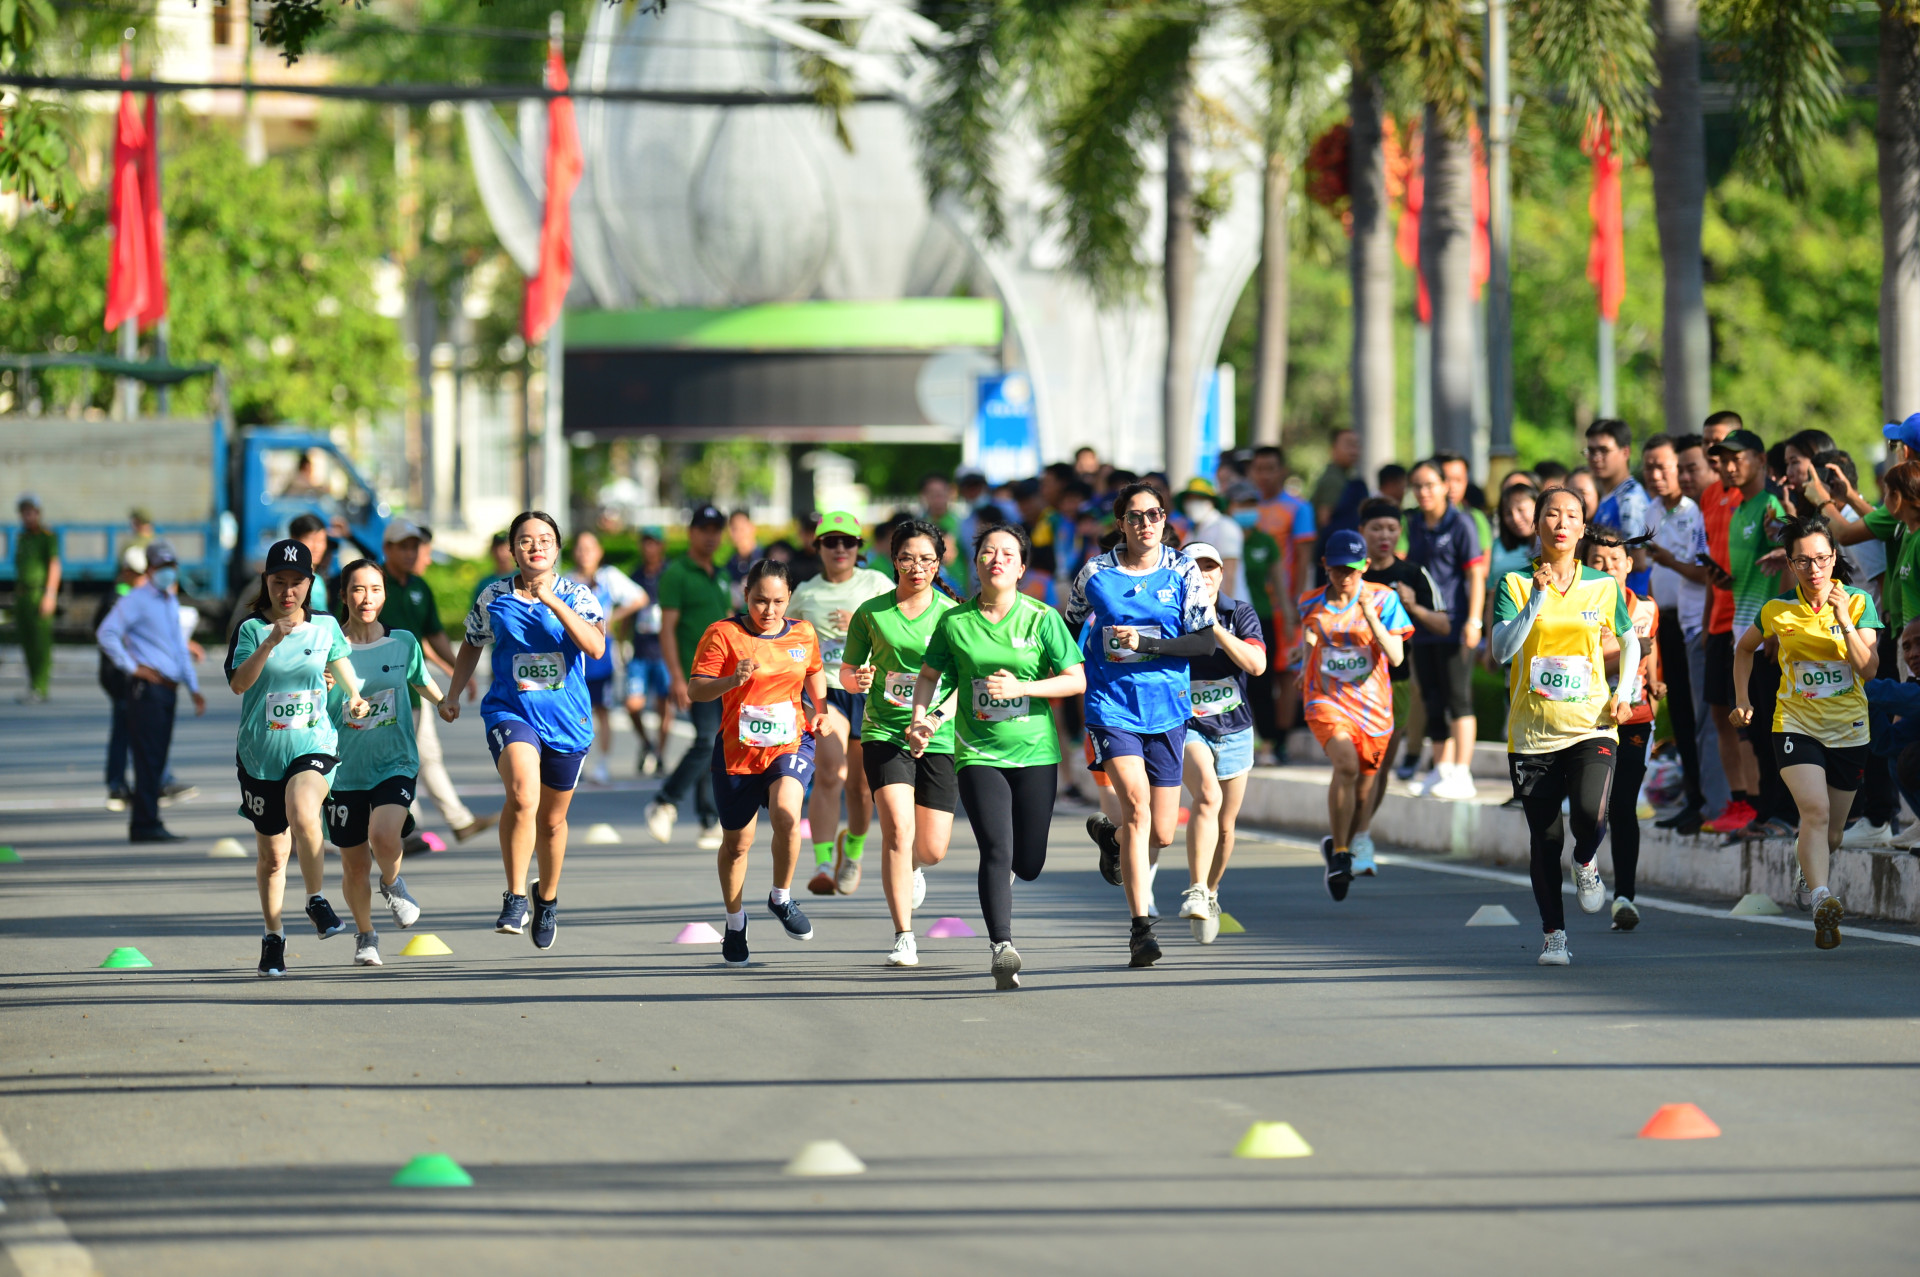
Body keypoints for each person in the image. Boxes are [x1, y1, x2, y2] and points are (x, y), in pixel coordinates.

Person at [909, 524, 1086, 989]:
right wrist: (921, 717)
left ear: (1022, 567)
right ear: (977, 563)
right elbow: (929, 676)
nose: (997, 559)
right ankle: (1001, 948)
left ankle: (1015, 887)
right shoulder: (955, 622)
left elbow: (1075, 680)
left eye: (1008, 553)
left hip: (1035, 751)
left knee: (1027, 863)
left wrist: (1023, 687)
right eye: (988, 551)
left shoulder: (1042, 617)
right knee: (996, 848)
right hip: (977, 751)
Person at [440, 511, 606, 952]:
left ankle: (546, 900)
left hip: (567, 720)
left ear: (557, 549)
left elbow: (595, 645)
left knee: (551, 822)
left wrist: (552, 601)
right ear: (512, 549)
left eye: (545, 540)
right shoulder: (492, 595)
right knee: (522, 792)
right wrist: (453, 693)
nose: (536, 547)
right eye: (526, 540)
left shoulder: (578, 594)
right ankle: (515, 895)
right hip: (511, 711)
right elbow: (472, 643)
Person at [1068, 481, 1217, 968]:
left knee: (1162, 832)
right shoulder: (1095, 573)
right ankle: (1140, 929)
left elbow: (1202, 644)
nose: (1145, 524)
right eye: (1135, 516)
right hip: (1111, 706)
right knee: (1135, 806)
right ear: (1120, 522)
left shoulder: (1182, 570)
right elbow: (1069, 628)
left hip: (1168, 708)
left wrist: (1147, 645)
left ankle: (1111, 839)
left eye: (1154, 515)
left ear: (1164, 520)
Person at [1488, 487, 1637, 966]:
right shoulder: (1513, 582)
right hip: (1532, 733)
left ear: (1582, 527)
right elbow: (1501, 651)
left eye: (1572, 515)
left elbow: (1630, 643)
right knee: (1545, 840)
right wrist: (1535, 598)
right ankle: (1555, 935)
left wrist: (1625, 692)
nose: (1561, 522)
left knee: (1592, 815)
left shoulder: (1602, 585)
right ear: (1536, 525)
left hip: (1591, 722)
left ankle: (1587, 860)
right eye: (1551, 514)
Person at [225, 538, 372, 976]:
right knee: (272, 858)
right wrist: (270, 642)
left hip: (313, 744)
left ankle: (315, 898)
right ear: (266, 582)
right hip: (260, 756)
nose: (287, 592)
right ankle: (274, 936)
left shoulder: (325, 625)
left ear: (310, 584)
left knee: (303, 806)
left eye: (296, 583)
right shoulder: (250, 629)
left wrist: (356, 697)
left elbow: (342, 666)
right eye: (278, 582)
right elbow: (238, 685)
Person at [1732, 518, 1879, 950]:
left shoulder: (1857, 602)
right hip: (1795, 723)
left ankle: (1807, 868)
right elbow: (1743, 649)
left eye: (1821, 558)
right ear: (1791, 564)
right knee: (1812, 810)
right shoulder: (1777, 609)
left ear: (1834, 558)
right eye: (1803, 561)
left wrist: (1841, 619)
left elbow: (1868, 669)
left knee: (1832, 832)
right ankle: (1821, 898)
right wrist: (1742, 699)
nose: (1814, 569)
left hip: (1850, 728)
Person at [687, 558, 827, 966]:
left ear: (789, 600)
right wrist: (732, 680)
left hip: (790, 742)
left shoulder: (802, 632)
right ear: (745, 596)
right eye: (760, 601)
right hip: (736, 753)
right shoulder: (724, 634)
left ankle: (781, 896)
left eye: (778, 602)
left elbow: (814, 669)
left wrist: (820, 708)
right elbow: (696, 690)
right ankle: (735, 921)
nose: (769, 611)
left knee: (787, 810)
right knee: (737, 845)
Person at [843, 520, 962, 966]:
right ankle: (903, 936)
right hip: (884, 732)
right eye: (908, 558)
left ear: (938, 563)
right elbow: (848, 671)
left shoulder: (952, 615)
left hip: (939, 735)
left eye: (926, 559)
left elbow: (962, 682)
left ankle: (913, 867)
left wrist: (931, 719)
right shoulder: (871, 612)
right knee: (896, 827)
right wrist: (858, 679)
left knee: (930, 848)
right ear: (894, 561)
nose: (917, 567)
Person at [327, 559, 444, 967]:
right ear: (343, 595)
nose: (367, 598)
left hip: (395, 760)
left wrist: (443, 701)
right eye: (358, 589)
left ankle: (393, 883)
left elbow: (418, 677)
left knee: (384, 833)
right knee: (354, 864)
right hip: (342, 770)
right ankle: (366, 936)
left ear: (384, 595)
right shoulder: (328, 646)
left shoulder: (403, 642)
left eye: (375, 589)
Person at [1296, 529, 1412, 897]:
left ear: (1364, 566)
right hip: (1326, 699)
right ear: (1325, 565)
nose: (1344, 576)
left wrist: (1370, 616)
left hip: (1374, 708)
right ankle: (1343, 854)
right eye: (1337, 568)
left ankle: (1340, 844)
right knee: (1345, 763)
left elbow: (1396, 657)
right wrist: (1304, 660)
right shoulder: (1310, 602)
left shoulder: (1384, 598)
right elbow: (1312, 634)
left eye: (1352, 568)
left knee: (1364, 785)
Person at [785, 510, 895, 895]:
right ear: (818, 547)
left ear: (857, 547)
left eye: (847, 542)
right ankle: (823, 864)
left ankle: (854, 849)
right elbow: (785, 640)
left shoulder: (877, 583)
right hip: (825, 692)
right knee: (831, 772)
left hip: (870, 690)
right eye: (831, 542)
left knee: (863, 787)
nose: (840, 548)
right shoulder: (805, 593)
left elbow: (902, 629)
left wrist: (861, 624)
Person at [1167, 541, 1269, 940]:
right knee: (1207, 797)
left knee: (1226, 825)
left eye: (1211, 567)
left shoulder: (1238, 612)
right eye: (1196, 568)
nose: (1205, 575)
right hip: (1188, 724)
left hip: (1236, 727)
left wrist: (1216, 630)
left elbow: (1257, 665)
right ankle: (1194, 888)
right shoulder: (1169, 613)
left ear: (1221, 573)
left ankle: (1210, 892)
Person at [375, 518, 494, 846]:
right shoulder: (374, 585)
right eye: (404, 547)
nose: (412, 553)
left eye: (415, 546)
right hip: (378, 689)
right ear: (386, 549)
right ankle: (403, 827)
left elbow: (434, 635)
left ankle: (458, 821)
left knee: (425, 756)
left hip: (413, 686)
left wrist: (459, 672)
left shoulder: (418, 587)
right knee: (399, 758)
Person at [1709, 429, 1792, 839]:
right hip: (1744, 633)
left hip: (1768, 636)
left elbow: (1788, 561)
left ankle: (1784, 814)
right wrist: (1721, 581)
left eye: (1736, 458)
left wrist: (1775, 628)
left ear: (1760, 460)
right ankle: (1765, 812)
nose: (1728, 466)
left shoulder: (1770, 506)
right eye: (1723, 459)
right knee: (1754, 730)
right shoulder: (1740, 508)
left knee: (1774, 729)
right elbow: (1752, 573)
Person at [96, 541, 208, 843]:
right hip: (147, 688)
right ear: (149, 570)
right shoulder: (137, 599)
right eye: (161, 568)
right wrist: (132, 667)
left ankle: (148, 819)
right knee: (147, 758)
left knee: (156, 757)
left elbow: (178, 649)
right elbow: (106, 633)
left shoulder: (168, 601)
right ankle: (145, 823)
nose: (167, 573)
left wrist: (193, 687)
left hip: (167, 689)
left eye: (171, 567)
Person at [1584, 525, 1661, 933]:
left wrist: (1656, 678)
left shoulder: (1647, 607)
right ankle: (1588, 868)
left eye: (1615, 561)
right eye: (1598, 561)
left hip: (1635, 718)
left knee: (1623, 804)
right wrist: (1628, 655)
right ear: (1585, 566)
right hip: (1588, 719)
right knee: (1592, 808)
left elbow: (1652, 653)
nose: (1608, 567)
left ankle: (1625, 896)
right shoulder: (1580, 611)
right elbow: (1586, 665)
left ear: (1630, 565)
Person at [1358, 500, 1449, 834]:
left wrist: (1413, 606)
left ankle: (1360, 832)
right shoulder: (1351, 574)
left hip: (1394, 681)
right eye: (1376, 528)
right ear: (1362, 532)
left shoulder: (1412, 574)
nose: (1384, 536)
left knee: (1379, 765)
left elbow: (1442, 625)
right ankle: (1349, 832)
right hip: (1351, 683)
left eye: (1391, 529)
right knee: (1354, 765)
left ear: (1401, 533)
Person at [647, 505, 735, 849]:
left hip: (727, 676)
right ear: (691, 532)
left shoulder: (721, 573)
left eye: (716, 529)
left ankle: (709, 818)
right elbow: (666, 630)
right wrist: (675, 676)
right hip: (696, 674)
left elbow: (728, 621)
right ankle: (665, 801)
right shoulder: (677, 573)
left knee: (716, 741)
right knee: (705, 740)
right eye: (704, 529)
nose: (711, 536)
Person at [1644, 434, 1713, 833]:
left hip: (1696, 620)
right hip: (1664, 620)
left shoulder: (1696, 509)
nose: (1657, 475)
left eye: (1664, 466)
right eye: (1649, 467)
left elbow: (1701, 570)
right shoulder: (1651, 510)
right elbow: (1652, 571)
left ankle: (1707, 799)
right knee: (1681, 714)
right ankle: (1692, 796)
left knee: (1701, 711)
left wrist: (1669, 560)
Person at [1403, 460, 1482, 800]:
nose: (1424, 492)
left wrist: (1474, 620)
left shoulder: (1461, 523)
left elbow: (1475, 575)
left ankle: (1463, 771)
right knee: (1432, 698)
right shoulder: (1415, 524)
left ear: (1443, 487)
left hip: (1454, 625)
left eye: (1430, 485)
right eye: (1418, 486)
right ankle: (1441, 768)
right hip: (1422, 625)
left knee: (1458, 698)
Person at [568, 530, 649, 786]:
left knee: (602, 710)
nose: (585, 554)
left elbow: (640, 598)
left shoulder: (609, 577)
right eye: (580, 549)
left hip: (601, 657)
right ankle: (573, 762)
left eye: (590, 548)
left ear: (599, 552)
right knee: (574, 710)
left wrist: (613, 618)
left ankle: (602, 764)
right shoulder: (567, 581)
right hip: (574, 657)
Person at [624, 530, 675, 775]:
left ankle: (660, 754)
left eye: (654, 543)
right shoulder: (635, 575)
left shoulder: (671, 573)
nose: (649, 548)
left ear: (661, 546)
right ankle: (647, 743)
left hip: (665, 651)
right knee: (633, 704)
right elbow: (626, 610)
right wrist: (622, 643)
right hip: (641, 652)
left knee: (664, 704)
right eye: (645, 543)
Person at [1587, 419, 1652, 595]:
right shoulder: (1609, 497)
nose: (1596, 457)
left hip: (1630, 602)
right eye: (1591, 451)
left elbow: (1639, 561)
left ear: (1625, 452)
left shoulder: (1630, 499)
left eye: (1603, 450)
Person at [12, 493, 59, 702]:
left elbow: (54, 565)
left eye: (30, 512)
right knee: (27, 642)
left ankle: (41, 687)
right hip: (22, 595)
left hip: (39, 593)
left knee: (41, 643)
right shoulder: (22, 538)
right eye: (24, 513)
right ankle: (33, 685)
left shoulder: (46, 537)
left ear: (38, 514)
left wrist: (49, 594)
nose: (27, 516)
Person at [724, 509, 764, 609]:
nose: (738, 534)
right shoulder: (728, 566)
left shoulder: (766, 559)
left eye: (742, 528)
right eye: (734, 529)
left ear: (752, 528)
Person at [471, 531, 515, 609]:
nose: (500, 553)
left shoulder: (523, 578)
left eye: (504, 548)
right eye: (496, 548)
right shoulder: (484, 584)